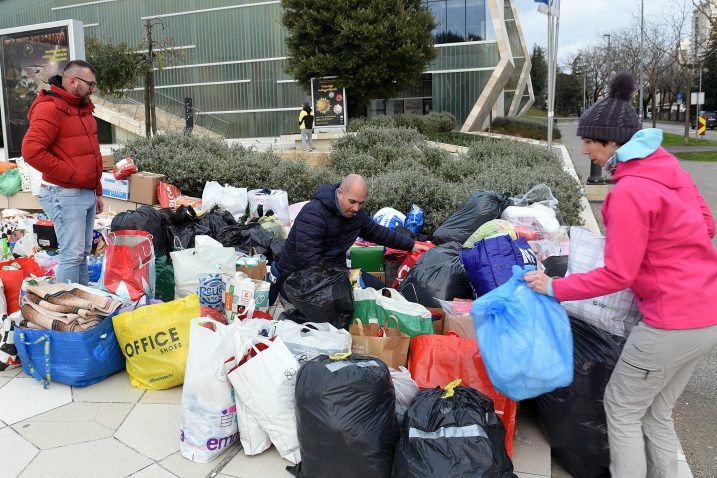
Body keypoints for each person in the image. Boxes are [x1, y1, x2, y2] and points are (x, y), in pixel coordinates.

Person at [523, 72, 717, 478]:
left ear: (614, 142)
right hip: (705, 314)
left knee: (622, 409)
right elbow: (706, 224)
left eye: (590, 141)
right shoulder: (669, 169)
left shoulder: (629, 193)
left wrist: (555, 286)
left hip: (668, 321)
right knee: (656, 414)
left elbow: (618, 273)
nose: (584, 148)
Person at [270, 174, 430, 304]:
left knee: (381, 290)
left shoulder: (355, 214)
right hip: (298, 278)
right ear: (340, 193)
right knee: (346, 305)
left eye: (360, 203)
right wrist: (344, 279)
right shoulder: (314, 214)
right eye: (352, 202)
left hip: (334, 272)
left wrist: (411, 245)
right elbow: (309, 261)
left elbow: (378, 233)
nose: (356, 208)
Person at [21, 60, 104, 285]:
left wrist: (96, 191)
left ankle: (84, 303)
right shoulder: (50, 108)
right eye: (91, 84)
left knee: (82, 254)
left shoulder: (83, 108)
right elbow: (31, 151)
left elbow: (92, 154)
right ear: (72, 81)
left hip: (83, 193)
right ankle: (68, 310)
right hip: (64, 193)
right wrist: (70, 174)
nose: (93, 89)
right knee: (71, 255)